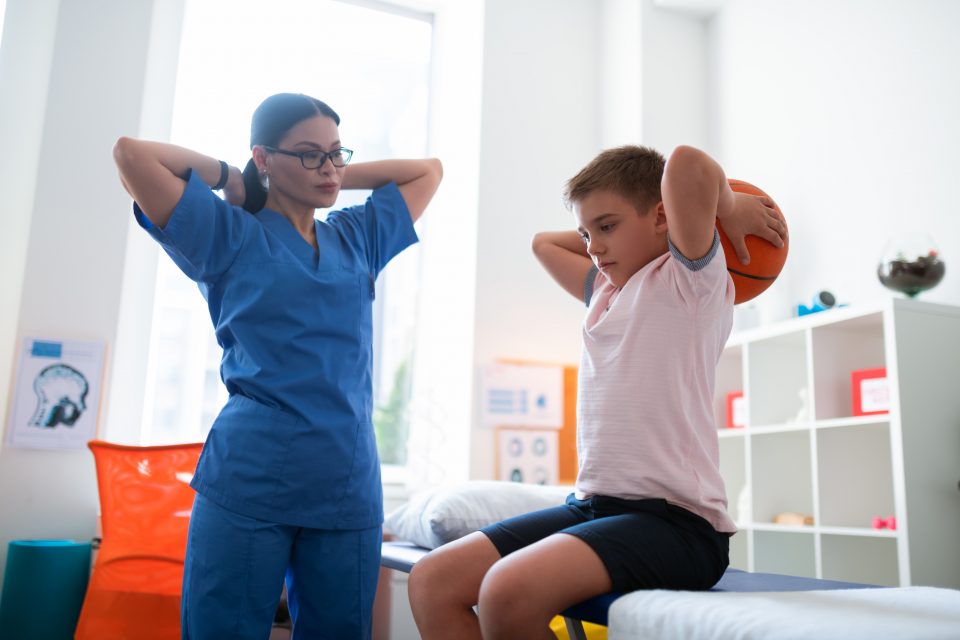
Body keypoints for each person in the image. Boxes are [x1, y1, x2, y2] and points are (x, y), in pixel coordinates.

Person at [407, 144, 786, 640]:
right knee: (433, 580)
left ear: (662, 217)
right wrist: (600, 224)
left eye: (607, 227)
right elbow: (544, 242)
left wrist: (728, 209)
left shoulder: (689, 282)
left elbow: (687, 164)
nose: (592, 247)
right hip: (595, 507)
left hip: (678, 526)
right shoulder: (605, 292)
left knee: (505, 592)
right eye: (587, 233)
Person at [113, 92, 442, 640]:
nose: (330, 167)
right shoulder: (225, 233)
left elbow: (427, 172)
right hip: (250, 478)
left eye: (336, 153)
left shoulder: (358, 237)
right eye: (310, 153)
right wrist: (233, 178)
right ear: (263, 157)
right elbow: (131, 155)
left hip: (347, 482)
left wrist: (326, 169)